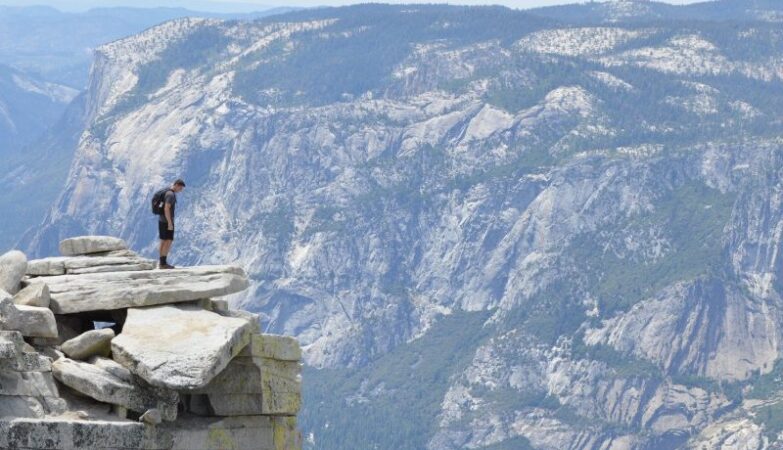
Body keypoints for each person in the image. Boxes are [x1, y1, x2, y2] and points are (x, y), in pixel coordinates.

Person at [158, 179, 185, 269]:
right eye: (180, 188)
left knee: (163, 241)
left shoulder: (167, 192)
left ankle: (161, 262)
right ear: (176, 185)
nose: (180, 190)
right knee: (168, 241)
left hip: (161, 220)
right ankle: (163, 263)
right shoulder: (171, 195)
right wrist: (170, 222)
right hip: (166, 221)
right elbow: (166, 208)